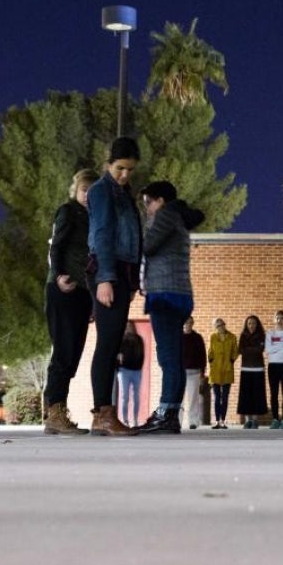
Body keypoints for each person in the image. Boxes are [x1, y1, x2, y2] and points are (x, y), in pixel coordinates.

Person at [136, 180, 205, 435]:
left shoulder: (165, 216)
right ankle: (170, 413)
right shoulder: (177, 218)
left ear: (161, 200)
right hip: (179, 294)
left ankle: (166, 413)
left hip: (165, 295)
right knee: (174, 357)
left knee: (168, 358)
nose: (146, 208)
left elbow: (147, 246)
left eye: (148, 202)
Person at [87, 136, 142, 436]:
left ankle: (105, 416)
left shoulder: (124, 193)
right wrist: (105, 278)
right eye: (120, 168)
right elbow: (103, 234)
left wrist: (132, 281)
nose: (125, 175)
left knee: (111, 343)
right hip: (107, 270)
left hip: (122, 273)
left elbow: (133, 238)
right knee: (107, 344)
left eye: (130, 170)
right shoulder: (100, 191)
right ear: (108, 164)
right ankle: (103, 414)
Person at [43, 168, 99, 436]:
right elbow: (57, 246)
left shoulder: (95, 217)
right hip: (63, 288)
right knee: (64, 351)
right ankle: (54, 412)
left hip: (82, 292)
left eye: (91, 190)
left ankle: (58, 409)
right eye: (83, 190)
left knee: (74, 353)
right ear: (75, 190)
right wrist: (58, 277)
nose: (87, 195)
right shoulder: (68, 211)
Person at [237, 315, 267, 428]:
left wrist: (248, 349)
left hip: (258, 369)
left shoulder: (261, 335)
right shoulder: (243, 335)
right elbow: (240, 350)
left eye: (253, 323)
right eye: (249, 323)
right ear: (246, 324)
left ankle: (255, 420)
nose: (251, 325)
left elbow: (260, 349)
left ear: (257, 324)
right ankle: (247, 420)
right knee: (246, 395)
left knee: (257, 395)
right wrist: (253, 349)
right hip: (245, 368)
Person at [207, 318, 237, 429]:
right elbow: (210, 351)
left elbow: (235, 351)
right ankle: (216, 421)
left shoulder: (232, 337)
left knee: (224, 397)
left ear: (225, 325)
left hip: (227, 370)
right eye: (217, 326)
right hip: (215, 371)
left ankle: (223, 421)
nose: (220, 327)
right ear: (215, 327)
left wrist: (231, 360)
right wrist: (211, 361)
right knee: (216, 397)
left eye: (221, 325)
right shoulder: (213, 337)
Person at [180, 317, 208, 430]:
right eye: (186, 322)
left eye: (191, 323)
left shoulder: (198, 338)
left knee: (193, 398)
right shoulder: (178, 337)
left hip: (195, 372)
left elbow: (203, 355)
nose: (188, 324)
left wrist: (202, 371)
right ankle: (177, 421)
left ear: (193, 324)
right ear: (183, 324)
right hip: (180, 372)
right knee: (179, 399)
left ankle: (193, 421)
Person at [116, 322, 145, 427]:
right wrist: (118, 366)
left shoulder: (139, 339)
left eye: (130, 326)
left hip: (137, 371)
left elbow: (142, 354)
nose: (129, 328)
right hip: (124, 371)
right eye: (127, 326)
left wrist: (139, 367)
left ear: (133, 327)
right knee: (125, 397)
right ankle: (125, 420)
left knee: (136, 396)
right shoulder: (121, 339)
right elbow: (117, 354)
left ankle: (135, 419)